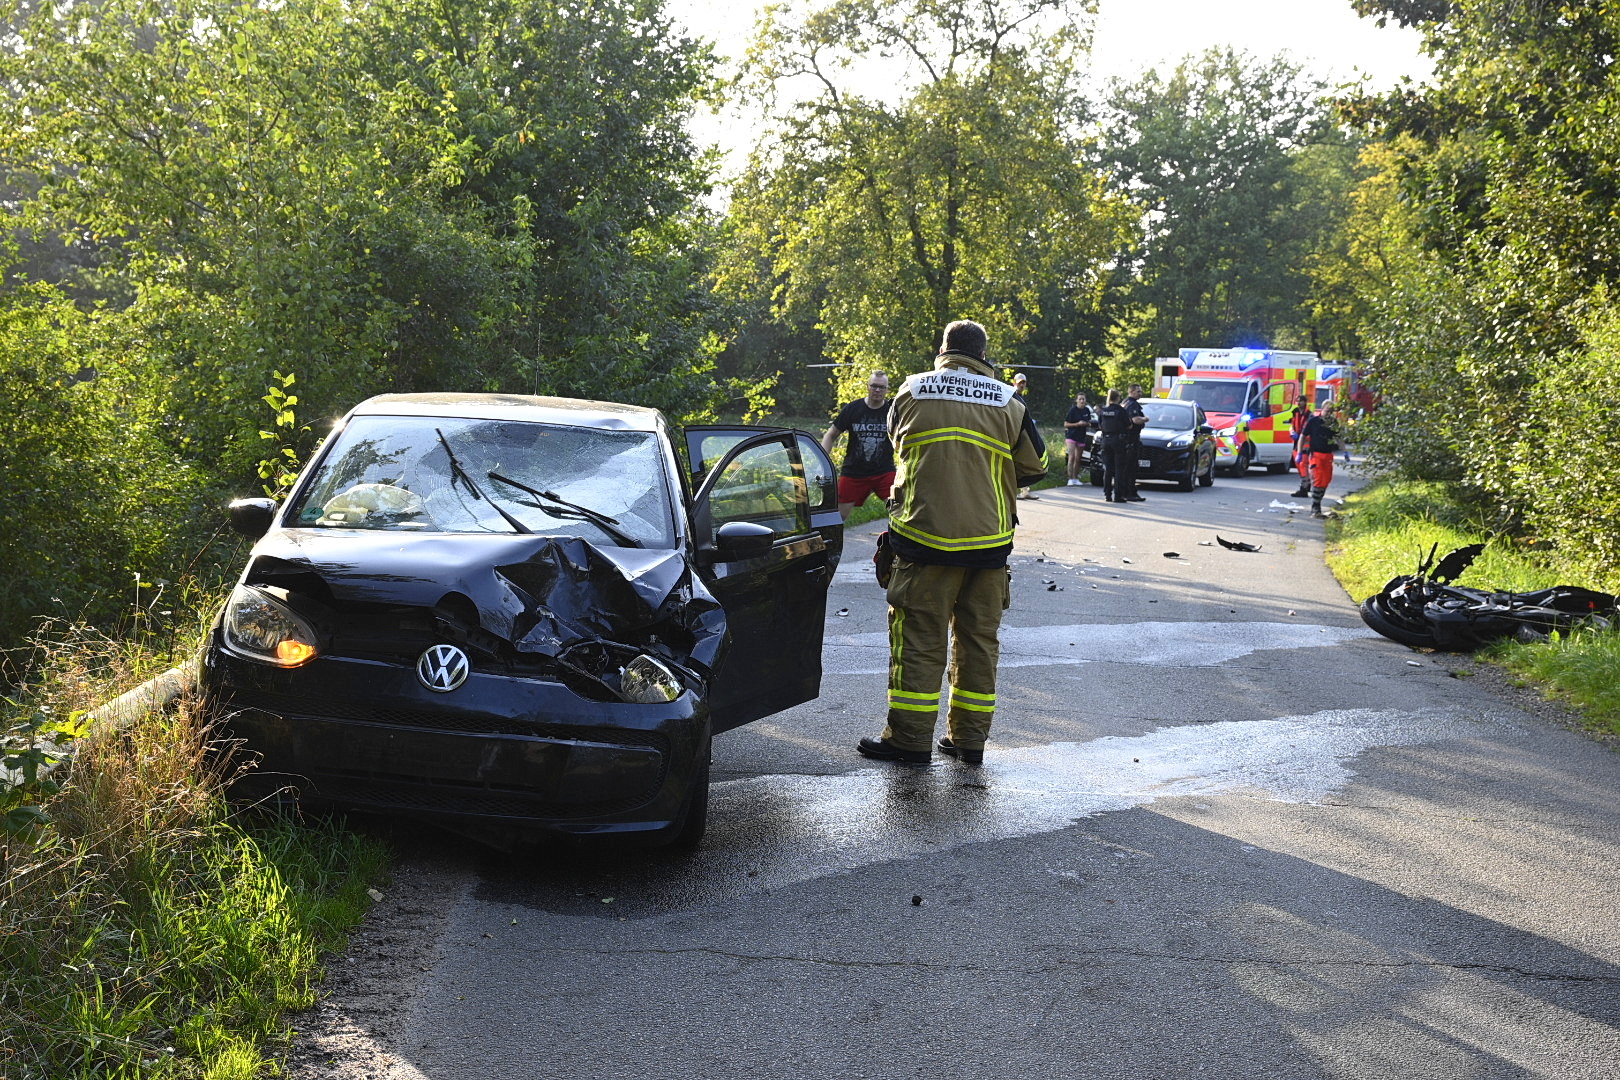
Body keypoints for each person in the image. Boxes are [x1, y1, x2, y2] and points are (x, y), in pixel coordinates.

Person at [856, 320, 1046, 767]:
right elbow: (1036, 465)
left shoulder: (910, 392)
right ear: (983, 355)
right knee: (979, 642)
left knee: (920, 641)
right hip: (989, 546)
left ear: (943, 350)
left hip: (923, 541)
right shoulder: (1008, 401)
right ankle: (970, 742)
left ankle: (910, 740)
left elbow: (896, 447)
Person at [821, 371, 895, 521]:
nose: (878, 390)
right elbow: (831, 435)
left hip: (884, 471)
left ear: (887, 389)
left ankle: (899, 543)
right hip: (854, 471)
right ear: (868, 386)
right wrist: (822, 460)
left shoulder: (892, 412)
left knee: (900, 511)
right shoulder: (853, 409)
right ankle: (830, 543)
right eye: (874, 386)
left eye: (882, 387)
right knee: (837, 518)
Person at [1301, 406, 1341, 517]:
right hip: (1316, 455)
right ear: (1322, 410)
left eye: (1331, 412)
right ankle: (1315, 508)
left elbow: (1338, 437)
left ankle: (1317, 505)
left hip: (1328, 456)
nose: (1329, 414)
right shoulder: (1313, 421)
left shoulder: (1333, 423)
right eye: (1327, 411)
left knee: (1326, 480)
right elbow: (1303, 436)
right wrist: (1299, 452)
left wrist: (1345, 451)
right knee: (1318, 480)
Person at [1094, 389, 1129, 502]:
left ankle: (1107, 494)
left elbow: (1100, 425)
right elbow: (1129, 425)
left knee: (1108, 469)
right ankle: (1118, 496)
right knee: (1119, 469)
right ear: (1118, 398)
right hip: (1118, 441)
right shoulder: (1120, 410)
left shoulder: (1103, 411)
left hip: (1105, 441)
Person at [1117, 384, 1149, 503]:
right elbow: (1135, 420)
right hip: (1131, 439)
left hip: (1125, 440)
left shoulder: (1124, 402)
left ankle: (1127, 491)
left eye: (1140, 391)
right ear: (1131, 391)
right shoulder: (1132, 404)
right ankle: (1130, 493)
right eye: (1138, 391)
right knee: (1131, 468)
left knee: (1127, 468)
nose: (1140, 393)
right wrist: (1145, 419)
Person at [1011, 371, 1040, 500]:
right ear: (1014, 383)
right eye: (1019, 382)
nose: (1021, 385)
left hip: (1022, 433)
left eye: (1023, 383)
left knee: (1024, 460)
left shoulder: (1021, 397)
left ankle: (1025, 490)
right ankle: (1015, 490)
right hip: (1014, 433)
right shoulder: (1012, 396)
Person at [1063, 392, 1094, 486]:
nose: (1081, 401)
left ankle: (1075, 478)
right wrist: (1077, 424)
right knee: (1071, 457)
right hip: (1071, 436)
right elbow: (1066, 424)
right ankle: (1070, 478)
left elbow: (1089, 423)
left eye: (1083, 399)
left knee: (1078, 459)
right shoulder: (1073, 410)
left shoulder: (1087, 411)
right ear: (1076, 400)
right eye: (1080, 399)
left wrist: (1086, 424)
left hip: (1081, 436)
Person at [1290, 399, 1314, 498]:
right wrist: (1291, 432)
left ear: (1305, 402)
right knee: (1299, 466)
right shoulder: (1295, 412)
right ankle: (1306, 484)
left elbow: (1309, 429)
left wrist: (1302, 436)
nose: (1299, 403)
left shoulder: (1309, 414)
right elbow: (1292, 425)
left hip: (1305, 443)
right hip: (1297, 443)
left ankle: (1304, 488)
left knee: (1303, 465)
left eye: (1301, 401)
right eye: (1297, 401)